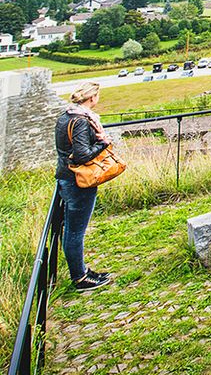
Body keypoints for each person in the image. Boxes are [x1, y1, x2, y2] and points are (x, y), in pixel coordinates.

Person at [55, 81, 113, 291]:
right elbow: (81, 155)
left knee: (71, 228)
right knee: (76, 231)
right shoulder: (81, 121)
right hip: (79, 181)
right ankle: (80, 278)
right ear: (92, 97)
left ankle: (81, 270)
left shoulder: (65, 117)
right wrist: (103, 143)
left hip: (66, 177)